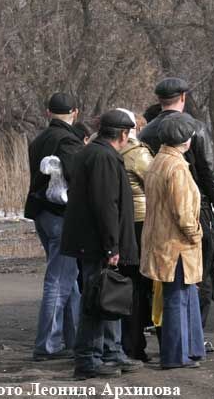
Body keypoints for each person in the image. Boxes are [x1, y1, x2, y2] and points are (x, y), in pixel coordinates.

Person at [139, 78, 214, 354]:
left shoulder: (146, 133)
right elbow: (210, 172)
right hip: (193, 209)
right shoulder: (194, 128)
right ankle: (193, 337)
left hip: (155, 211)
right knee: (196, 276)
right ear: (183, 97)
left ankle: (170, 336)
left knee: (163, 279)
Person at [61, 110, 144, 380]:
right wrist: (112, 246)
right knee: (97, 301)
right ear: (123, 134)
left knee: (109, 298)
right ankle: (89, 358)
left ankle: (110, 351)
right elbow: (106, 205)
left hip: (93, 242)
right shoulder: (103, 157)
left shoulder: (93, 153)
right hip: (97, 244)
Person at [141, 113, 205, 369]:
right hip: (176, 245)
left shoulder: (158, 161)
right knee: (177, 298)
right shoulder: (176, 167)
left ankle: (191, 349)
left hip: (161, 241)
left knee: (183, 295)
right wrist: (196, 233)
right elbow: (182, 212)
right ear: (185, 140)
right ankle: (176, 355)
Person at [25, 92, 84, 361]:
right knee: (59, 280)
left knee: (67, 279)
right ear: (75, 112)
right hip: (62, 216)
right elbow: (77, 177)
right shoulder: (69, 141)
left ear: (48, 113)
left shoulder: (38, 140)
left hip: (41, 214)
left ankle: (72, 338)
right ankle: (47, 345)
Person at [115, 109, 155, 362]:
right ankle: (135, 344)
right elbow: (153, 184)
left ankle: (124, 342)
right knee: (140, 285)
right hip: (140, 221)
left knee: (124, 282)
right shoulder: (138, 153)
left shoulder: (108, 151)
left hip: (118, 222)